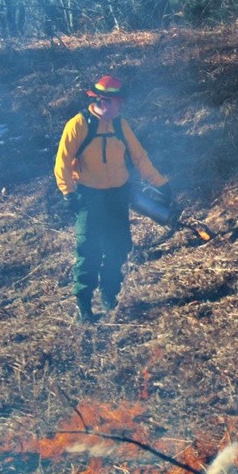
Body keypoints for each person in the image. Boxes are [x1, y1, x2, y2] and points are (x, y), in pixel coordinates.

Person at [54, 75, 171, 322]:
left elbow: (139, 156)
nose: (122, 106)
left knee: (119, 248)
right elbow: (62, 162)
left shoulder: (119, 124)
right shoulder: (78, 125)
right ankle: (84, 307)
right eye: (119, 102)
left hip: (118, 196)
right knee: (89, 251)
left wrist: (160, 183)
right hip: (89, 198)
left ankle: (110, 295)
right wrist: (68, 193)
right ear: (104, 102)